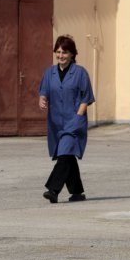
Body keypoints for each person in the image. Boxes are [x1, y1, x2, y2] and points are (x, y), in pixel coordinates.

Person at [38, 35, 95, 204]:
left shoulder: (80, 73)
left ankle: (53, 190)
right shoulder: (50, 72)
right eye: (58, 52)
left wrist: (78, 117)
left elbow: (86, 98)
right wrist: (42, 99)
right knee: (68, 156)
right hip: (56, 122)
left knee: (64, 154)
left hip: (74, 121)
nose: (61, 55)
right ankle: (77, 192)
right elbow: (44, 91)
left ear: (72, 54)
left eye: (65, 52)